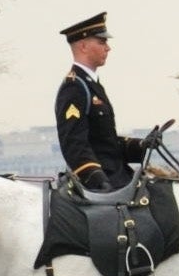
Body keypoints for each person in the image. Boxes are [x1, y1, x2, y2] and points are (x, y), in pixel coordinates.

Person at [54, 13, 155, 194]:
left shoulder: (91, 84)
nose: (108, 48)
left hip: (119, 176)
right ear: (83, 46)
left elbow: (103, 142)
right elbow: (74, 144)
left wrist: (141, 145)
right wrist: (97, 180)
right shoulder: (74, 87)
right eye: (101, 43)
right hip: (103, 183)